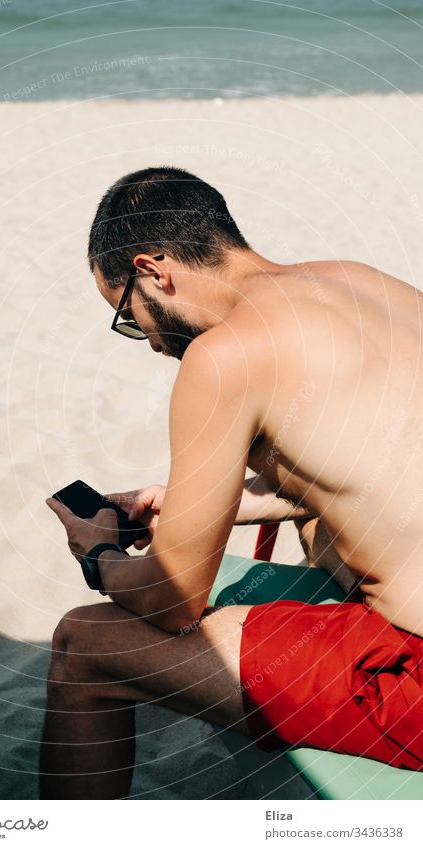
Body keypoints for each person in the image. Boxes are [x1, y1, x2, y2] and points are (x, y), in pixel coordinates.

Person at [40, 166, 423, 799]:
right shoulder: (363, 283)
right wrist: (220, 506)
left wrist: (99, 555)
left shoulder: (222, 355)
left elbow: (172, 601)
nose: (145, 339)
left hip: (412, 676)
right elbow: (377, 467)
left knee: (83, 644)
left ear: (154, 269)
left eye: (128, 317)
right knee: (320, 532)